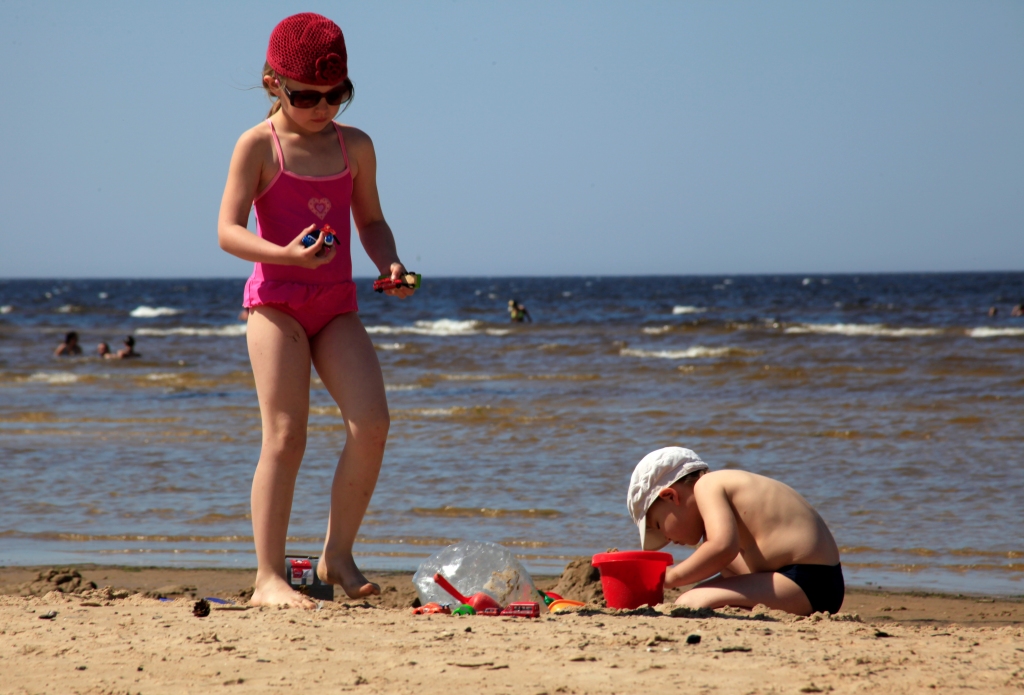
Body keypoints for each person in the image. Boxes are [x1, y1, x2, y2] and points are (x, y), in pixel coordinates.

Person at [217, 13, 416, 609]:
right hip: (275, 304)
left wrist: (391, 263)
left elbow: (371, 220)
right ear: (273, 84)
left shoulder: (355, 145)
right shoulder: (259, 145)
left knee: (372, 424)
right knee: (285, 436)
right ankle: (268, 578)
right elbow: (227, 231)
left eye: (336, 95)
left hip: (335, 306)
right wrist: (283, 254)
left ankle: (337, 555)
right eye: (306, 96)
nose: (322, 107)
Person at [628, 447, 843, 616]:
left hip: (807, 581)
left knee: (689, 601)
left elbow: (722, 548)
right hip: (815, 579)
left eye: (658, 526)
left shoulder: (707, 485)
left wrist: (671, 577)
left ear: (671, 496)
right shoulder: (723, 490)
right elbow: (723, 554)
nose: (666, 539)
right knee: (708, 582)